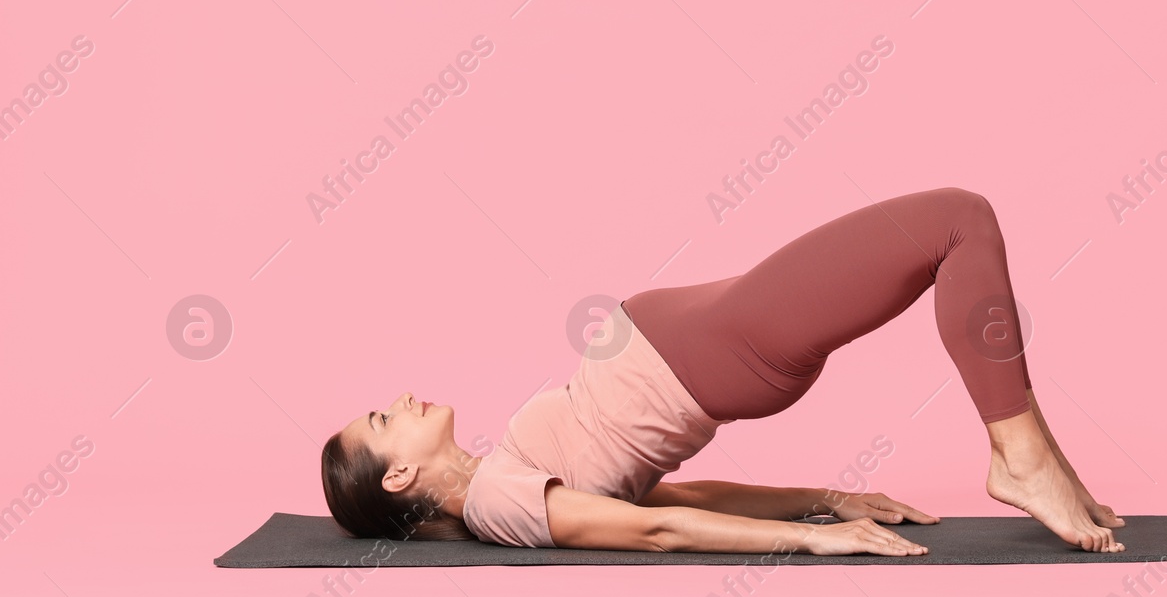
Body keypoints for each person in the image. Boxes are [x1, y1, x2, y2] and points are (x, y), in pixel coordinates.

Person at [321, 187, 1126, 556]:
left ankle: (1040, 456)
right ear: (397, 479)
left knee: (959, 225)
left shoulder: (504, 477)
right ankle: (1018, 460)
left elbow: (670, 496)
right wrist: (813, 543)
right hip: (726, 346)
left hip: (718, 331)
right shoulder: (499, 501)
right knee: (958, 221)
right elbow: (656, 531)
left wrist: (824, 498)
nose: (397, 402)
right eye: (384, 422)